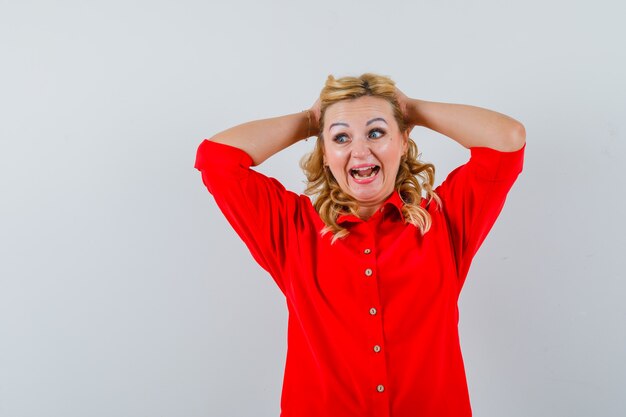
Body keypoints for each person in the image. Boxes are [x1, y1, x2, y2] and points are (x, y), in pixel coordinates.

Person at [194, 73, 526, 417]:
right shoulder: (293, 229)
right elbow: (217, 160)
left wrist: (411, 109)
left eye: (377, 133)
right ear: (325, 153)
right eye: (341, 137)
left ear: (402, 141)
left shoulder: (444, 221)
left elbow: (507, 139)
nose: (360, 151)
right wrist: (310, 121)